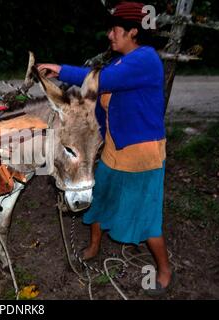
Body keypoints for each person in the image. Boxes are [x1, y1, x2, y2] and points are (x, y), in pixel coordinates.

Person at [38, 2, 174, 296]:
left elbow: (100, 81)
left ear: (133, 32)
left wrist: (61, 69)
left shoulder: (146, 60)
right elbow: (98, 105)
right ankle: (94, 246)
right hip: (114, 149)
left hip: (142, 155)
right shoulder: (119, 63)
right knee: (101, 200)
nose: (109, 35)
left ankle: (164, 269)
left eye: (115, 30)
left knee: (146, 217)